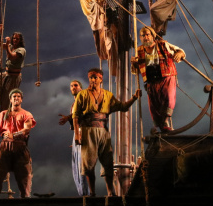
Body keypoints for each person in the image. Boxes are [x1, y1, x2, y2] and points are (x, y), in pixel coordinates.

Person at [72, 68, 141, 197]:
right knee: (88, 164)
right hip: (88, 131)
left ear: (101, 79)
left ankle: (111, 192)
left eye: (95, 77)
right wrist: (77, 134)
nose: (93, 80)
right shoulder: (82, 95)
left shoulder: (108, 95)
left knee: (108, 162)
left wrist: (134, 97)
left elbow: (123, 107)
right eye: (91, 77)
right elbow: (75, 116)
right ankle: (92, 193)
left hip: (103, 131)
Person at [131, 27, 185, 132]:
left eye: (147, 34)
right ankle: (161, 127)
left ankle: (165, 121)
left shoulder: (163, 44)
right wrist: (134, 64)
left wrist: (179, 54)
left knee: (168, 97)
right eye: (143, 35)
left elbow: (180, 51)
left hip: (166, 76)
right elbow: (136, 71)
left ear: (152, 36)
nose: (145, 37)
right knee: (154, 104)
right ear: (140, 38)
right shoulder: (139, 51)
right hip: (151, 80)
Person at [58, 80, 89, 196]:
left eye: (75, 85)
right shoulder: (74, 103)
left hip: (84, 133)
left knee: (82, 166)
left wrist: (68, 117)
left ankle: (86, 195)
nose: (73, 87)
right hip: (77, 135)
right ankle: (82, 194)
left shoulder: (84, 99)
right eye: (71, 86)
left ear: (80, 87)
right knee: (76, 167)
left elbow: (82, 114)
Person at [0, 32, 26, 111]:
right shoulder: (11, 46)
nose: (15, 40)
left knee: (6, 101)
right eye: (14, 38)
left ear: (20, 40)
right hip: (6, 74)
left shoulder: (21, 50)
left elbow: (11, 56)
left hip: (13, 78)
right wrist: (0, 33)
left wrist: (7, 45)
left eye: (17, 39)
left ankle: (4, 116)